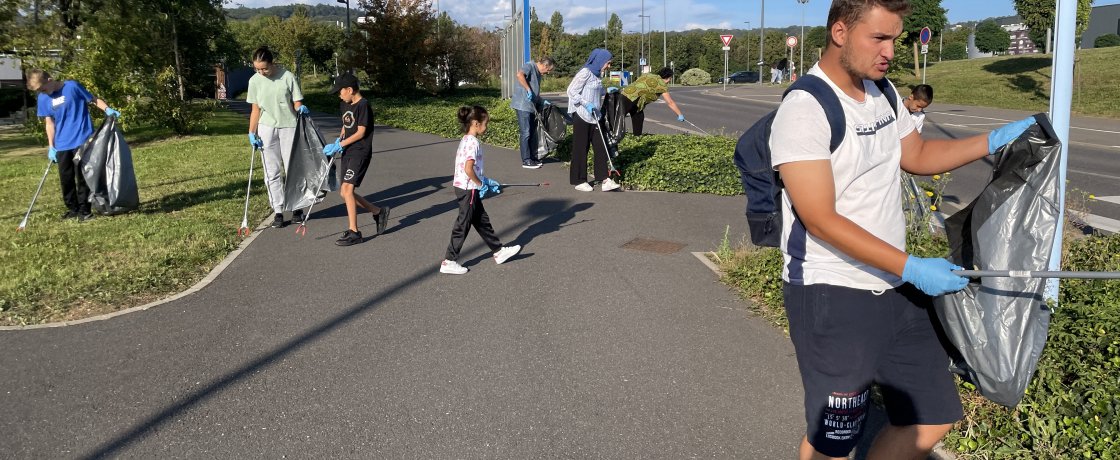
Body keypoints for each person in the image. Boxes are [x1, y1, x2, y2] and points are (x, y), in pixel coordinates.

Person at [767, 1, 1035, 459]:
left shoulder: (883, 92)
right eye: (879, 38)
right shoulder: (806, 108)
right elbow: (819, 218)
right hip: (832, 291)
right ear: (839, 32)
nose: (890, 50)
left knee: (930, 416)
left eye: (896, 38)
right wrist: (912, 265)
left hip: (894, 287)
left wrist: (992, 140)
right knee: (835, 437)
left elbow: (917, 157)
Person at [26, 69, 120, 222]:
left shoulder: (72, 87)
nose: (42, 93)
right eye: (39, 91)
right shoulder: (43, 98)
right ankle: (73, 209)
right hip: (62, 143)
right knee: (66, 178)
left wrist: (107, 110)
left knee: (83, 177)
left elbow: (93, 100)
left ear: (50, 80)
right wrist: (51, 146)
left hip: (82, 139)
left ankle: (85, 210)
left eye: (42, 89)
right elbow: (49, 123)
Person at [439, 105, 522, 275]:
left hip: (465, 187)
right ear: (476, 123)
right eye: (486, 123)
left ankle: (498, 251)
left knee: (481, 220)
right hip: (468, 188)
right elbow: (468, 168)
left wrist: (481, 181)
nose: (487, 127)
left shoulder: (466, 139)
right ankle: (449, 260)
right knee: (463, 224)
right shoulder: (473, 143)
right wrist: (480, 184)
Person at [322, 73, 389, 247]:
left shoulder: (363, 106)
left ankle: (354, 231)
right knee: (344, 193)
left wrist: (340, 144)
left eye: (340, 91)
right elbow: (346, 125)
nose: (339, 95)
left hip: (360, 152)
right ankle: (378, 211)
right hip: (348, 152)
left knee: (348, 190)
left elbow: (360, 132)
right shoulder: (345, 104)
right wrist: (339, 140)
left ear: (350, 90)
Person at [247, 46, 309, 229]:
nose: (261, 72)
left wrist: (300, 109)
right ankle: (278, 210)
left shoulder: (287, 76)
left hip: (289, 125)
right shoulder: (254, 81)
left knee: (292, 168)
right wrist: (251, 132)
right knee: (271, 172)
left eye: (264, 68)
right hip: (266, 127)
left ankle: (297, 207)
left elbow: (297, 101)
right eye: (257, 69)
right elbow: (255, 110)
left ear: (272, 63)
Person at [566, 48, 619, 192]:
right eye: (607, 63)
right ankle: (579, 180)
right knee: (581, 148)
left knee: (601, 147)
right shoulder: (585, 72)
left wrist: (607, 91)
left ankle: (604, 179)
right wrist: (585, 104)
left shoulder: (597, 75)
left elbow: (597, 90)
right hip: (582, 115)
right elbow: (571, 91)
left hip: (595, 117)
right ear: (600, 61)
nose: (608, 66)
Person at [511, 56, 555, 169]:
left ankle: (531, 157)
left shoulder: (538, 74)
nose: (548, 73)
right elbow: (519, 75)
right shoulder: (529, 66)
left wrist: (541, 100)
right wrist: (528, 89)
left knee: (531, 132)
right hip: (522, 105)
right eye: (548, 70)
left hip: (530, 106)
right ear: (545, 65)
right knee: (525, 132)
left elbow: (535, 91)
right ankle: (526, 160)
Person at [616, 67, 686, 136]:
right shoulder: (662, 85)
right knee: (618, 119)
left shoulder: (649, 75)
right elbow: (670, 102)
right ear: (669, 77)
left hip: (628, 95)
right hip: (631, 98)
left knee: (639, 116)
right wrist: (679, 114)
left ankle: (637, 137)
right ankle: (612, 138)